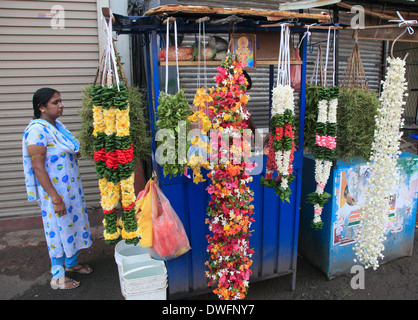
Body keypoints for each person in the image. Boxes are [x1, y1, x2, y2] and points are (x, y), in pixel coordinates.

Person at [22, 88, 93, 290]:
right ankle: (58, 276)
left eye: (60, 101)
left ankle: (71, 264)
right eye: (56, 102)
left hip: (70, 191)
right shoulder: (37, 130)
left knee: (71, 226)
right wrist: (55, 198)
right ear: (41, 107)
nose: (61, 105)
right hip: (55, 193)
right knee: (57, 230)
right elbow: (38, 167)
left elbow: (64, 148)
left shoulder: (57, 126)